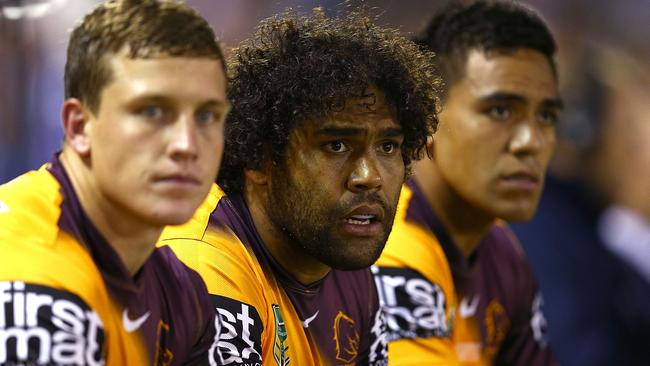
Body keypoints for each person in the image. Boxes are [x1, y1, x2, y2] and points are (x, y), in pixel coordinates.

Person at [159, 8, 440, 366]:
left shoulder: (343, 259)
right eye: (335, 145)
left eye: (387, 147)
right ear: (261, 160)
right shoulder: (203, 265)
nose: (369, 176)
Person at [0, 0, 229, 364]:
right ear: (79, 127)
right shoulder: (35, 289)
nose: (187, 145)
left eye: (206, 115)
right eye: (152, 111)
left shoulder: (182, 294)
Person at [373, 1, 562, 365]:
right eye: (500, 110)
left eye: (546, 116)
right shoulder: (385, 242)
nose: (531, 142)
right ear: (425, 119)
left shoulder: (501, 252)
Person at [512, 45, 650, 366]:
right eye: (632, 141)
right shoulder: (540, 231)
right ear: (583, 135)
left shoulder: (588, 222)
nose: (644, 161)